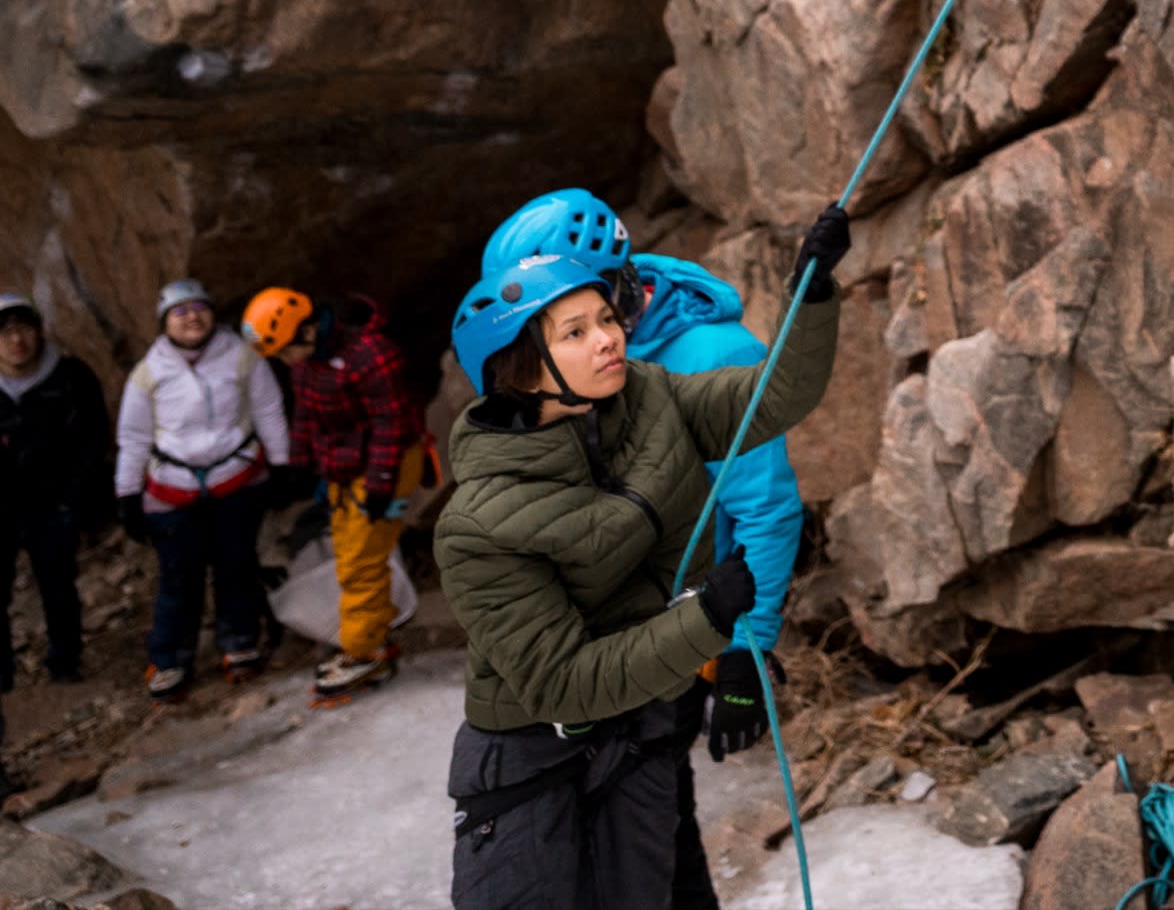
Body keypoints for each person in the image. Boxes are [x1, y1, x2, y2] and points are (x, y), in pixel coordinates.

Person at [437, 202, 850, 910]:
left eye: (607, 318)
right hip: (540, 758)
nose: (610, 340)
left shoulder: (650, 397)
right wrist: (709, 620)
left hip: (645, 725)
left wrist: (809, 294)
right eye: (577, 331)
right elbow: (562, 683)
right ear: (519, 368)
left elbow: (774, 398)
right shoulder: (478, 526)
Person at [478, 192, 806, 794]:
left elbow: (765, 508)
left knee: (646, 814)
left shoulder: (711, 355)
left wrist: (743, 652)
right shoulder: (585, 359)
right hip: (608, 630)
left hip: (680, 623)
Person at [250, 286, 428, 701]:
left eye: (283, 351)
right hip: (347, 465)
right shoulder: (307, 363)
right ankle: (373, 635)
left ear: (307, 332)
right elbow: (307, 415)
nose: (282, 361)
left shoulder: (371, 355)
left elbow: (391, 424)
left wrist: (382, 485)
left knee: (362, 560)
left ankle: (364, 650)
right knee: (348, 552)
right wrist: (297, 465)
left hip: (389, 461)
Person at [114, 278, 289, 698]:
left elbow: (268, 410)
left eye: (199, 308)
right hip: (173, 490)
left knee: (237, 565)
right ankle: (171, 658)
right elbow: (134, 438)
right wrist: (126, 494)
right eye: (180, 312)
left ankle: (240, 643)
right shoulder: (148, 373)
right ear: (164, 324)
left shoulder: (242, 358)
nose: (191, 317)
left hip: (237, 480)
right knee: (179, 577)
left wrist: (282, 464)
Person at [0, 292, 108, 690]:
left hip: (54, 500)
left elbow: (94, 439)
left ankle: (65, 663)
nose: (16, 341)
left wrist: (74, 499)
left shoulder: (70, 377)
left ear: (39, 331)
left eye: (23, 329)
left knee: (59, 585)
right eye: (5, 332)